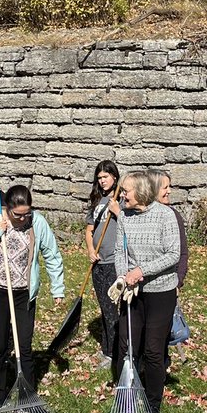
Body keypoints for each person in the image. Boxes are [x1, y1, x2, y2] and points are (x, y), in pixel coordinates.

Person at [0, 184, 65, 413]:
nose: (23, 219)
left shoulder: (38, 222)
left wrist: (58, 289)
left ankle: (28, 397)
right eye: (18, 215)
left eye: (27, 214)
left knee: (24, 346)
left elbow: (51, 254)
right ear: (9, 209)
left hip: (24, 293)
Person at [114, 170, 181, 413]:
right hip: (132, 292)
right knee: (127, 346)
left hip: (161, 291)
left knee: (153, 350)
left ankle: (153, 406)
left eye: (125, 191)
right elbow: (120, 251)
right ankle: (126, 399)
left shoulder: (166, 216)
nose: (122, 195)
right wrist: (123, 276)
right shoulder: (124, 217)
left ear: (140, 192)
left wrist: (141, 271)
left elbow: (173, 254)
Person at [147, 169, 188, 372]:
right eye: (165, 187)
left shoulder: (173, 216)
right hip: (142, 286)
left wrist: (178, 281)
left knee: (159, 335)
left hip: (165, 286)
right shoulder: (140, 216)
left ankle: (158, 370)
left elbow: (182, 254)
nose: (169, 191)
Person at [85, 160, 121, 374]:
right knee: (105, 308)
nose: (102, 180)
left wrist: (117, 211)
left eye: (105, 177)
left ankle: (114, 352)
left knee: (111, 309)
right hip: (98, 262)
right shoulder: (97, 200)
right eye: (99, 177)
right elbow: (89, 231)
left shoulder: (122, 199)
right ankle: (108, 348)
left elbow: (130, 226)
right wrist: (90, 250)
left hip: (114, 261)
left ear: (114, 177)